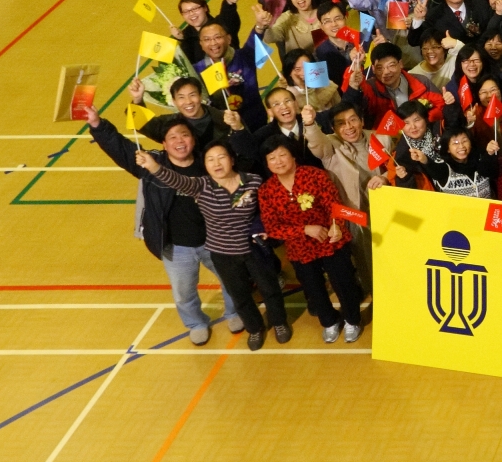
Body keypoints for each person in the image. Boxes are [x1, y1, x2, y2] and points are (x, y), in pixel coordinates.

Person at [86, 108, 240, 344]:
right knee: (184, 293)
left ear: (194, 139)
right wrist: (98, 124)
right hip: (174, 246)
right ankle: (196, 322)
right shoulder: (151, 164)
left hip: (215, 240)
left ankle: (234, 312)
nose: (180, 141)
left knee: (231, 279)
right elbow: (121, 148)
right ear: (164, 144)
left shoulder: (208, 161)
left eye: (184, 135)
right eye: (173, 137)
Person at [134, 141, 293, 351]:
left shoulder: (253, 181)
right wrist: (153, 166)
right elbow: (175, 179)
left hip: (253, 249)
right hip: (223, 253)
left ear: (232, 159)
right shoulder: (202, 186)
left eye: (221, 157)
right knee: (239, 294)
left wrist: (263, 228)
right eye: (210, 159)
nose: (216, 163)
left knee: (270, 288)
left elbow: (266, 209)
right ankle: (254, 328)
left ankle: (279, 323)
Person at [256, 136, 365, 343]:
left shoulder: (315, 175)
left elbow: (334, 205)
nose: (278, 161)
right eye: (272, 158)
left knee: (344, 283)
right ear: (267, 163)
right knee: (313, 289)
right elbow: (273, 228)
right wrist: (305, 229)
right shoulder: (266, 191)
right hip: (300, 248)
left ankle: (352, 320)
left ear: (293, 156)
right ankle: (330, 321)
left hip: (330, 241)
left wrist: (337, 228)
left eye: (282, 155)